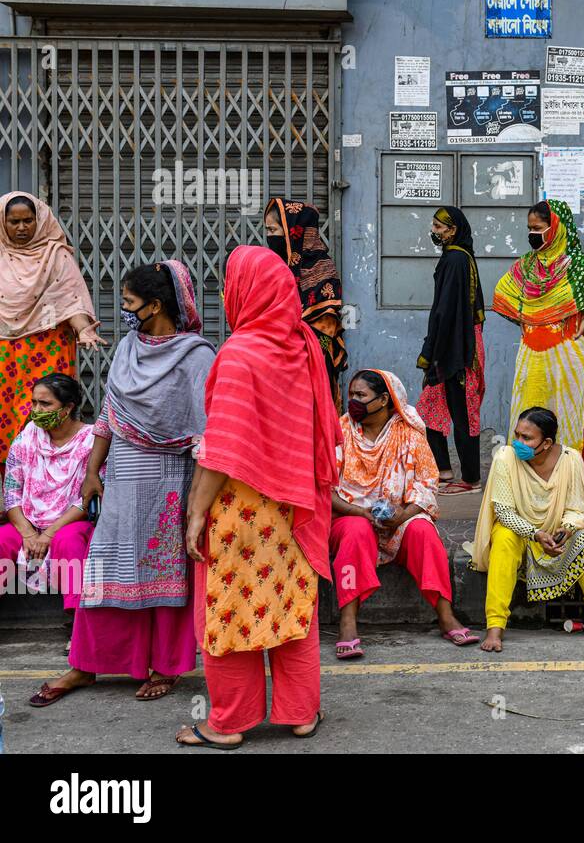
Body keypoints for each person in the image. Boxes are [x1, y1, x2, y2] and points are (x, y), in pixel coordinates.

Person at [175, 245, 340, 749]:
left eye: (230, 283)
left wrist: (196, 511)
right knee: (292, 607)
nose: (226, 293)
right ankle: (301, 712)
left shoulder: (240, 352)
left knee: (230, 609)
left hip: (242, 507)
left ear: (247, 290)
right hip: (295, 506)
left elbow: (222, 449)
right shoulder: (303, 344)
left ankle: (226, 723)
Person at [31, 263, 215, 708]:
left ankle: (165, 666)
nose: (125, 312)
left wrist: (199, 499)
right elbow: (111, 413)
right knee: (106, 567)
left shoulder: (197, 355)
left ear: (155, 306)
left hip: (173, 474)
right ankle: (85, 664)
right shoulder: (129, 347)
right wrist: (94, 471)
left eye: (131, 303)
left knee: (163, 571)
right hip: (124, 471)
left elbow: (205, 427)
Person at [330, 369, 478, 659]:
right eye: (351, 395)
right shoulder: (340, 431)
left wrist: (401, 515)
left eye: (361, 396)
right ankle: (348, 622)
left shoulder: (409, 432)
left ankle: (446, 615)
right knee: (356, 530)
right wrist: (360, 512)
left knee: (422, 530)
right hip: (351, 516)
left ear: (384, 399)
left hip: (397, 517)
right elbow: (326, 489)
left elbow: (426, 485)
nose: (353, 401)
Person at [493, 200, 584, 467]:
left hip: (567, 354)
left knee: (569, 419)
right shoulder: (526, 266)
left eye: (538, 228)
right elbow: (502, 296)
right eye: (529, 229)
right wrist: (527, 319)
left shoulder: (577, 266)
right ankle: (527, 487)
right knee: (526, 416)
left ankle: (568, 486)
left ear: (555, 228)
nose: (532, 234)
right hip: (530, 354)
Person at [470, 407, 584, 652]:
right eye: (517, 435)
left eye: (527, 438)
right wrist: (535, 534)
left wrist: (565, 530)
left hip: (557, 533)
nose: (518, 443)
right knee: (503, 537)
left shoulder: (570, 459)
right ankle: (495, 627)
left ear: (546, 443)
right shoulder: (505, 457)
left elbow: (577, 508)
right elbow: (504, 513)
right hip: (521, 533)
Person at [0, 192, 104, 473]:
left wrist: (84, 330)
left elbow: (71, 302)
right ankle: (11, 493)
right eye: (14, 222)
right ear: (3, 222)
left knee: (46, 415)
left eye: (28, 221)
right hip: (6, 356)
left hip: (48, 350)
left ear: (40, 220)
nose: (22, 228)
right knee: (5, 419)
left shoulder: (55, 255)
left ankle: (50, 484)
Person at [2, 376, 94, 636]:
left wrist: (50, 533)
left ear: (67, 408)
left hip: (71, 520)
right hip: (29, 521)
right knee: (1, 540)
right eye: (34, 403)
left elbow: (87, 499)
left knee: (70, 542)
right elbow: (11, 494)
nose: (37, 410)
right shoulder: (26, 440)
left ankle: (79, 626)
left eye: (45, 404)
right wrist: (29, 533)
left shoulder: (91, 442)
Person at [416, 207, 485, 494]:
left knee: (462, 412)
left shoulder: (456, 259)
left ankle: (470, 479)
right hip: (453, 342)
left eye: (439, 226)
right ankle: (443, 469)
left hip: (458, 347)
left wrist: (431, 352)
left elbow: (444, 312)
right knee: (431, 405)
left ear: (453, 230)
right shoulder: (456, 257)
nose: (435, 231)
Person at [264, 197, 348, 406]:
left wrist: (298, 354)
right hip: (275, 363)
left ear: (294, 231)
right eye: (267, 230)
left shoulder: (323, 270)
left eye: (273, 231)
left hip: (311, 365)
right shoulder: (276, 268)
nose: (268, 237)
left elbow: (326, 328)